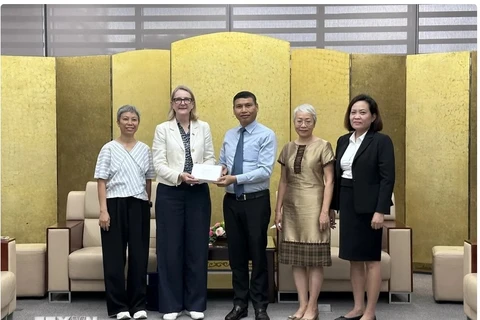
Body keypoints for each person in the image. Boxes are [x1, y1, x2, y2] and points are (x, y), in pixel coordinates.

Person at [152, 85, 215, 320]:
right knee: (170, 248)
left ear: (192, 103)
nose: (182, 103)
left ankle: (195, 303)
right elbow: (158, 163)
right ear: (172, 103)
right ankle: (171, 305)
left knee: (196, 248)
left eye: (186, 99)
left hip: (198, 191)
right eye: (177, 99)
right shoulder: (162, 129)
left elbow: (210, 156)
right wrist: (179, 176)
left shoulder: (203, 127)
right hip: (171, 192)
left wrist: (205, 172)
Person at [331, 94, 395, 320]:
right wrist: (332, 207)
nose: (356, 116)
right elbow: (337, 178)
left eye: (362, 112)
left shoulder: (381, 141)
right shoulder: (342, 140)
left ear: (373, 116)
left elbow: (387, 179)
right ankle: (357, 307)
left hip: (370, 208)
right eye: (353, 112)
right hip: (347, 203)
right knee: (353, 258)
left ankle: (370, 312)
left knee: (371, 259)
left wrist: (380, 211)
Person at [216, 91, 277, 320]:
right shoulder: (230, 135)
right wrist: (222, 169)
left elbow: (264, 171)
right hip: (231, 202)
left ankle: (260, 306)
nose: (243, 110)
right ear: (234, 109)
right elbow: (224, 161)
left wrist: (235, 179)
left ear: (256, 107)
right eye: (239, 106)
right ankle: (240, 304)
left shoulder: (266, 135)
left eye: (248, 105)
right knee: (237, 256)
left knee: (257, 254)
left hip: (256, 202)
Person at [275, 104, 336, 320]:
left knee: (315, 260)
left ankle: (313, 307)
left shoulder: (323, 146)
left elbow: (329, 181)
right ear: (294, 122)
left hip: (315, 206)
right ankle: (301, 305)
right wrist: (278, 209)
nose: (303, 124)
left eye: (307, 120)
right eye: (299, 120)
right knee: (297, 260)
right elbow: (283, 181)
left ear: (314, 122)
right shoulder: (287, 148)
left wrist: (325, 211)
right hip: (292, 208)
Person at [94, 105, 155, 320]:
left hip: (138, 205)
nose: (130, 123)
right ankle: (118, 307)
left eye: (134, 119)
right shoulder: (108, 148)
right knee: (114, 259)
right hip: (114, 205)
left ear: (138, 123)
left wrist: (147, 202)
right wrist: (103, 211)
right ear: (118, 122)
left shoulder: (145, 149)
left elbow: (149, 178)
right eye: (125, 119)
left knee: (139, 258)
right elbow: (101, 181)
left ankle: (138, 305)